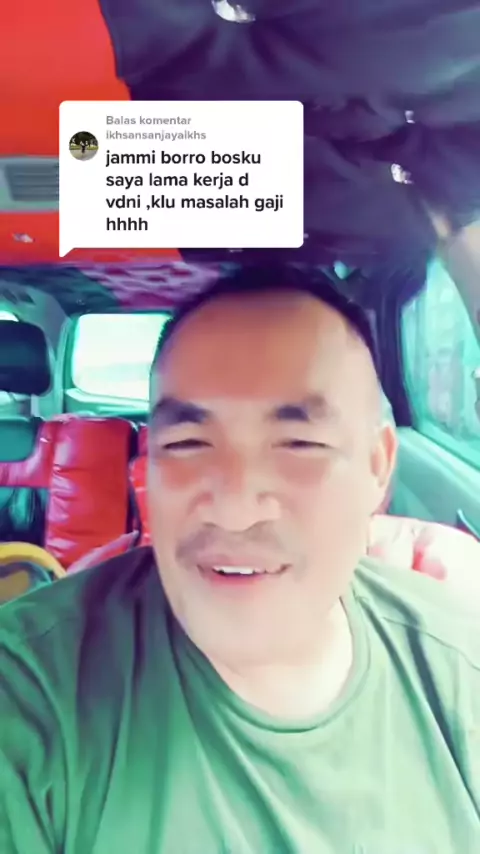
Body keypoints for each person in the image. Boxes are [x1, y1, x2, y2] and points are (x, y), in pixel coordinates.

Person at [0, 265, 479, 854]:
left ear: (377, 468)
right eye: (187, 444)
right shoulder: (29, 693)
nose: (234, 510)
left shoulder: (461, 668)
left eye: (300, 444)